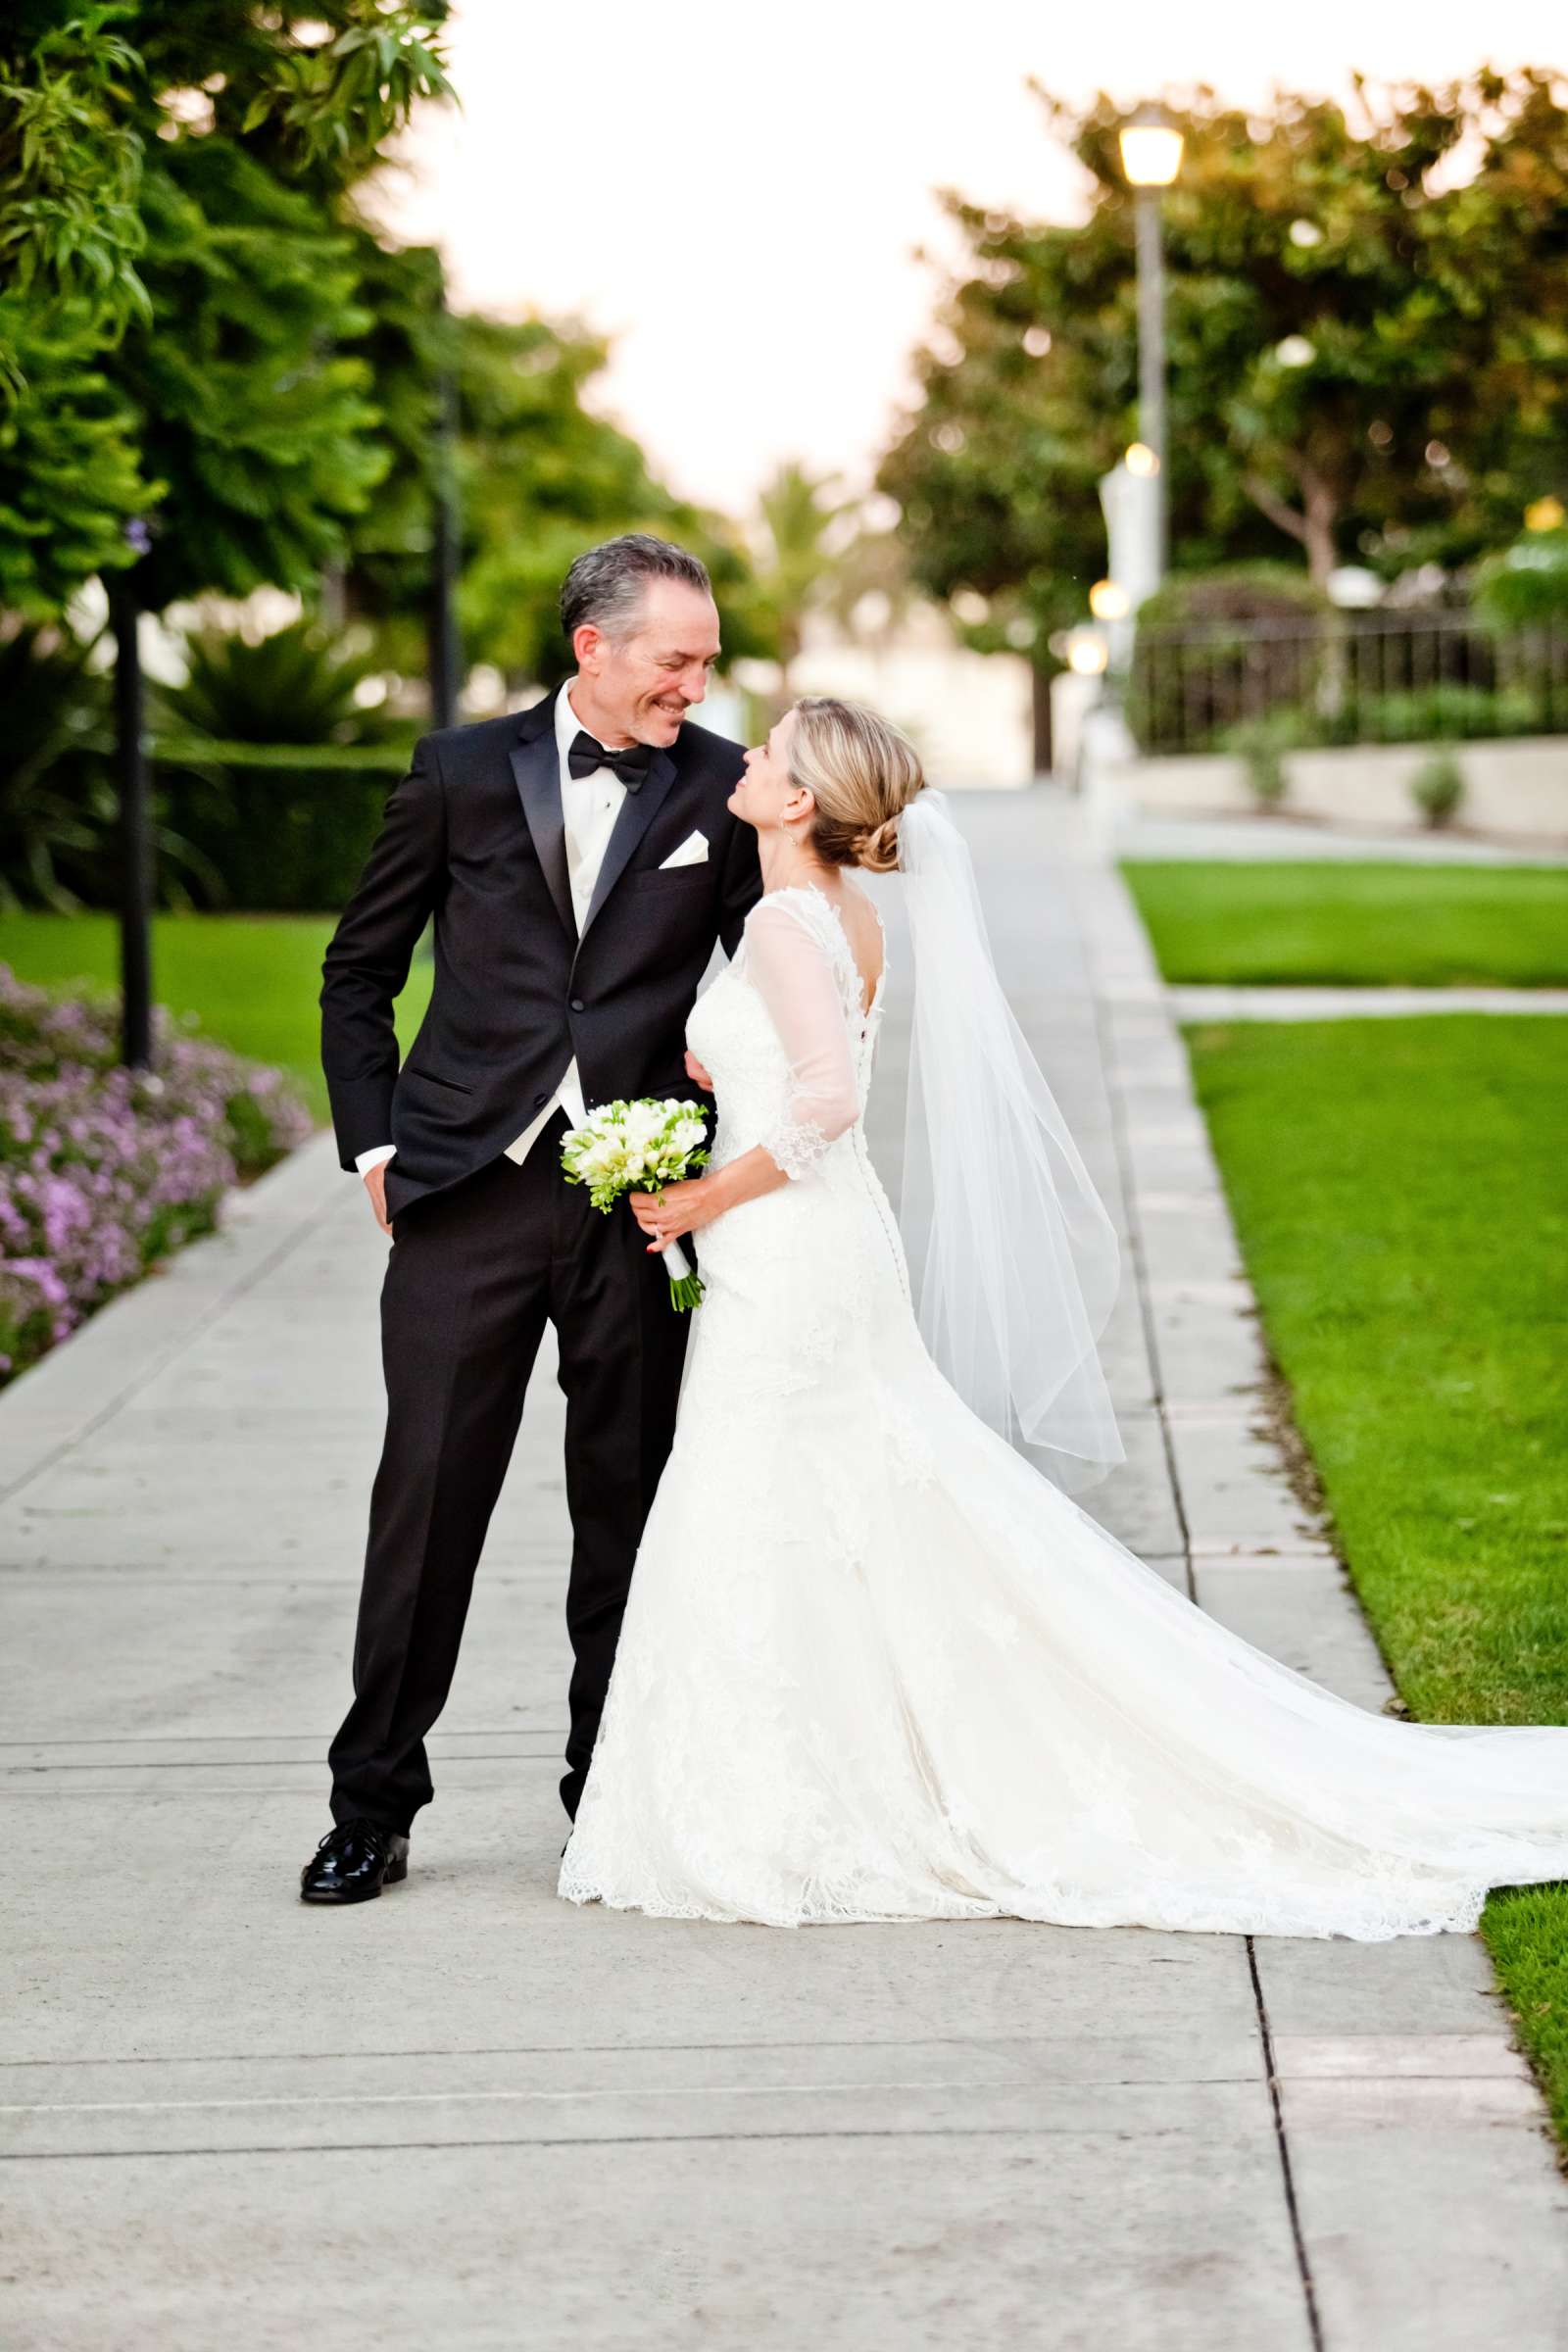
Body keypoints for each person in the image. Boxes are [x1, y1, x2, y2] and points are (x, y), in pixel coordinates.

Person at [560, 697, 1568, 1937]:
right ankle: (847, 1765)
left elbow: (821, 1102)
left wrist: (702, 1193)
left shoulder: (778, 921)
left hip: (784, 1249)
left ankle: (793, 1797)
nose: (747, 758)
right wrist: (726, 1074)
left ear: (800, 801)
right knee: (845, 1496)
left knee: (765, 1492)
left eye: (767, 751)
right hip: (820, 1245)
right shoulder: (848, 918)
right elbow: (820, 1068)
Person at [301, 535, 760, 1904]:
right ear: (594, 649)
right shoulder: (455, 774)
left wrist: (725, 1083)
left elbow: (772, 971)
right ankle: (372, 1806)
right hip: (461, 1198)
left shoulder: (727, 785)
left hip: (639, 1206)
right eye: (676, 659)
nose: (694, 683)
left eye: (705, 661)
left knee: (625, 1505)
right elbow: (356, 971)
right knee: (427, 1504)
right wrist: (375, 1142)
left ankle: (603, 1795)